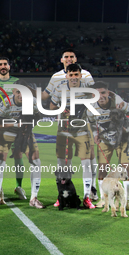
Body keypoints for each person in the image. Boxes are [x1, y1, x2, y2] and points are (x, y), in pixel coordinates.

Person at [42, 49, 97, 205]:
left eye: (76, 75)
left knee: (85, 162)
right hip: (63, 130)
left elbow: (96, 101)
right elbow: (52, 106)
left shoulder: (88, 87)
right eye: (70, 75)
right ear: (67, 75)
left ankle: (87, 196)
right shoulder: (59, 88)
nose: (73, 77)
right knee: (63, 164)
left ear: (81, 75)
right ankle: (63, 196)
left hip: (82, 130)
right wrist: (61, 109)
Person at [0, 57, 27, 201]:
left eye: (5, 64)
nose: (3, 66)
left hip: (15, 123)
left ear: (9, 66)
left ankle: (18, 186)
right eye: (0, 64)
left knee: (18, 154)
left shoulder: (16, 81)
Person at [0, 86, 45, 209]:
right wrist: (15, 124)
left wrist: (27, 127)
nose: (21, 95)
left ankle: (34, 197)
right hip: (8, 132)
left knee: (36, 160)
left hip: (24, 132)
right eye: (18, 92)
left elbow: (39, 117)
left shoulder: (33, 102)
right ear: (13, 92)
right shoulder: (5, 103)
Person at [87, 81, 129, 207]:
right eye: (97, 94)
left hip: (123, 139)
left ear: (108, 93)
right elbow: (92, 124)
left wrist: (125, 107)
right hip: (105, 139)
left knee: (126, 168)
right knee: (102, 169)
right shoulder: (91, 108)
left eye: (103, 92)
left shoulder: (118, 102)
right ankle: (103, 199)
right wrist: (95, 135)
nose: (101, 96)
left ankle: (126, 200)